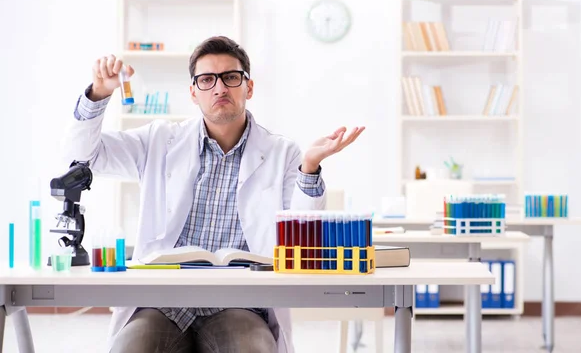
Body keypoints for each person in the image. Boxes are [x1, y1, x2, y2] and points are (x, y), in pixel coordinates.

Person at [63, 36, 364, 353]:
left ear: (248, 88)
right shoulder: (159, 140)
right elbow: (83, 156)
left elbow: (304, 234)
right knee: (130, 348)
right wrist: (99, 93)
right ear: (194, 93)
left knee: (253, 348)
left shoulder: (282, 152)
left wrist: (310, 166)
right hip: (163, 301)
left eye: (231, 77)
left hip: (241, 302)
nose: (219, 88)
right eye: (207, 80)